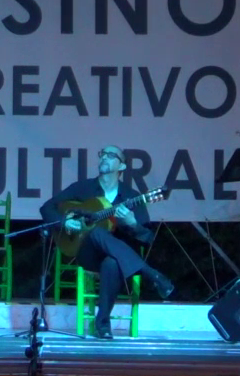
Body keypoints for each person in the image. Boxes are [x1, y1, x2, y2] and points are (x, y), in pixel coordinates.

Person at [39, 145, 174, 339]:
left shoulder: (131, 197)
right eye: (102, 154)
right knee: (95, 232)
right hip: (86, 253)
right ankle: (152, 275)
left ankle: (102, 324)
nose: (104, 157)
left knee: (111, 262)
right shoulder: (83, 188)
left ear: (122, 166)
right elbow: (46, 208)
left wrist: (132, 224)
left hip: (119, 260)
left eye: (111, 155)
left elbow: (147, 238)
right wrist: (65, 222)